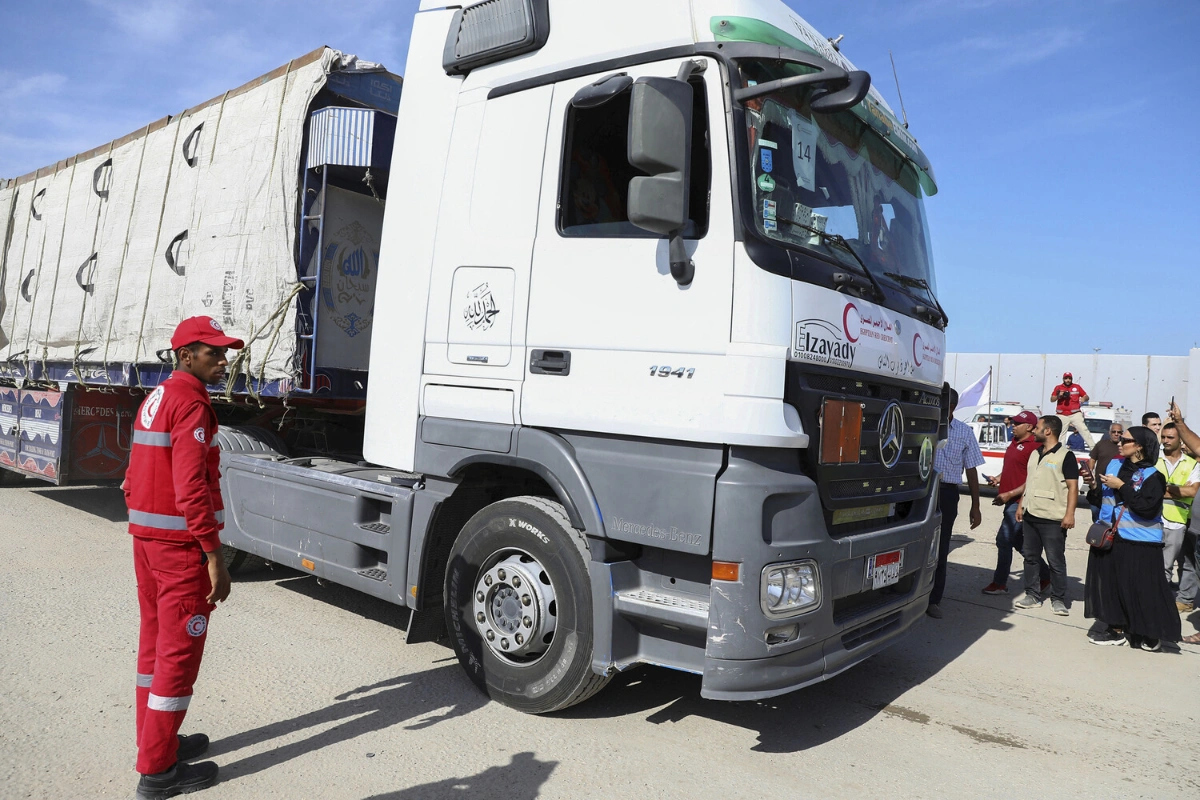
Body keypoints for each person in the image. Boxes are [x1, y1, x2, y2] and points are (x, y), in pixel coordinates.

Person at [125, 316, 243, 798]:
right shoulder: (191, 403)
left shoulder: (157, 398)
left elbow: (133, 472)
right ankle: (157, 772)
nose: (223, 361)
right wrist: (213, 554)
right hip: (178, 552)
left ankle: (158, 742)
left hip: (149, 542)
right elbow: (191, 487)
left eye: (225, 353)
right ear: (184, 355)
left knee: (154, 648)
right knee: (177, 656)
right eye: (212, 353)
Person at [1082, 426, 1181, 650]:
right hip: (1112, 536)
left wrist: (1122, 486)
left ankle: (1150, 633)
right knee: (1113, 586)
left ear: (1139, 447)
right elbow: (1102, 499)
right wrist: (1093, 484)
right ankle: (1116, 630)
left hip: (1142, 541)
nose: (1118, 442)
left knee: (1145, 590)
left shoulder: (1154, 475)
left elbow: (1146, 507)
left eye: (1125, 439)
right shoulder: (1114, 465)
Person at [928, 386, 984, 619]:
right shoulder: (925, 426)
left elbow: (971, 471)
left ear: (951, 407)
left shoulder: (964, 432)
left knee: (940, 548)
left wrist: (976, 505)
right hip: (921, 493)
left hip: (947, 494)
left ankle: (933, 600)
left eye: (944, 406)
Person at [1014, 416, 1078, 615]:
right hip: (1031, 515)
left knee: (1055, 561)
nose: (1034, 431)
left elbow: (1073, 487)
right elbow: (1030, 481)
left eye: (1038, 427)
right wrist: (1021, 506)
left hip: (1053, 518)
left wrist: (1069, 515)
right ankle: (1032, 595)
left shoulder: (1066, 456)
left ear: (1048, 431)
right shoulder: (1035, 453)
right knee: (1030, 558)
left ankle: (1058, 599)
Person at [981, 410, 1049, 595]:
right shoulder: (1013, 443)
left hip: (1020, 502)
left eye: (1017, 423)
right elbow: (1012, 469)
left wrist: (1010, 493)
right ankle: (1045, 574)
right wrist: (997, 478)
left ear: (1029, 427)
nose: (1013, 426)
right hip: (1010, 500)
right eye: (1013, 423)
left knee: (1003, 540)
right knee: (1018, 542)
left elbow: (1033, 479)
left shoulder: (1035, 447)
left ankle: (1000, 583)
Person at [1156, 423, 1198, 587]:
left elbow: (1193, 492)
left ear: (1181, 440)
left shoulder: (1192, 464)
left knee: (1167, 566)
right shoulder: (1153, 459)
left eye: (1170, 437)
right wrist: (1180, 489)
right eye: (1163, 437)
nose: (1165, 441)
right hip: (1153, 519)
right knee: (1148, 563)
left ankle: (1160, 602)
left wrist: (1161, 487)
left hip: (1177, 522)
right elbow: (1146, 489)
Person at [1088, 422, 1124, 522]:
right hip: (1098, 486)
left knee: (1110, 518)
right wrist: (1090, 472)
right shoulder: (1101, 444)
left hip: (1114, 488)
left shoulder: (1124, 448)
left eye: (1119, 432)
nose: (1116, 434)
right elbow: (1092, 459)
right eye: (1114, 432)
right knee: (1096, 513)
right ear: (1109, 432)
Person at [1049, 372, 1095, 448]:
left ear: (1071, 379)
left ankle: (1093, 448)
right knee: (1061, 434)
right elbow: (1052, 399)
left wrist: (1084, 398)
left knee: (1084, 430)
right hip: (1062, 414)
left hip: (1075, 414)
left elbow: (1086, 396)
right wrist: (1059, 395)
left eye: (1069, 378)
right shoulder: (1058, 388)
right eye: (1066, 378)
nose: (1068, 380)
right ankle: (1061, 451)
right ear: (1063, 379)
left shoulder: (1077, 387)